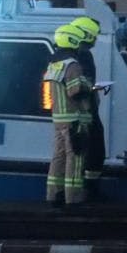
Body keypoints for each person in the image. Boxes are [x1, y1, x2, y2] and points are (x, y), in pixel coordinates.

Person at [43, 23, 93, 207]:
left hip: (59, 119)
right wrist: (90, 86)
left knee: (58, 157)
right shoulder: (72, 65)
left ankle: (53, 194)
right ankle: (74, 197)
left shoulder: (54, 65)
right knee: (76, 158)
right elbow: (75, 91)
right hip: (74, 119)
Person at [69, 16, 107, 198]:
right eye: (93, 36)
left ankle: (83, 189)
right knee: (92, 149)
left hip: (81, 111)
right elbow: (84, 83)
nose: (95, 40)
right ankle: (88, 190)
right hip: (85, 111)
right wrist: (93, 89)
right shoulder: (83, 56)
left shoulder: (71, 55)